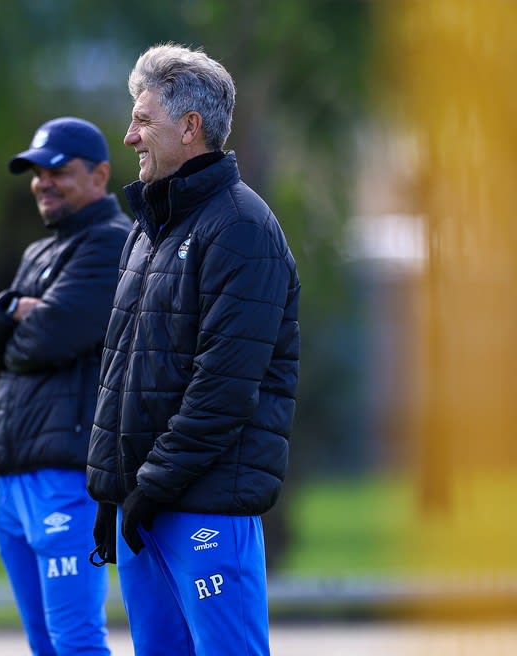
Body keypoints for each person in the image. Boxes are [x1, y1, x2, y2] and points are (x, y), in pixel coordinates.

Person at [86, 43, 301, 655]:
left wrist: (147, 487)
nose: (129, 136)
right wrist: (111, 490)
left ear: (190, 127)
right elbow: (119, 373)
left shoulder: (242, 228)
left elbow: (224, 387)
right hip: (144, 507)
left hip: (204, 505)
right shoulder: (147, 230)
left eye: (143, 118)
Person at [0, 116, 131, 656]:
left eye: (57, 169)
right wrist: (13, 310)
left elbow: (42, 342)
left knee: (75, 641)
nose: (42, 181)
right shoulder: (39, 253)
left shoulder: (112, 245)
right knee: (44, 645)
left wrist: (9, 328)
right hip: (13, 480)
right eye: (36, 172)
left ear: (99, 175)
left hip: (66, 477)